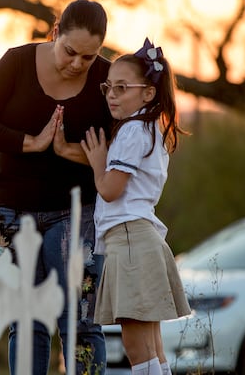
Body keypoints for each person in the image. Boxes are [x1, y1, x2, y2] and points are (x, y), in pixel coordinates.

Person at [0, 0, 113, 375]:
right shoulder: (15, 63)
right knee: (26, 319)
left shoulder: (107, 80)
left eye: (89, 57)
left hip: (78, 212)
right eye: (71, 52)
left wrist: (66, 150)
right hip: (11, 212)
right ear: (56, 32)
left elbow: (119, 152)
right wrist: (31, 142)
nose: (78, 64)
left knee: (81, 320)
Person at [80, 38, 191, 375]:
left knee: (135, 342)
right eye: (108, 87)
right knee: (151, 342)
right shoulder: (150, 128)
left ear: (148, 93)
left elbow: (111, 190)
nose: (112, 95)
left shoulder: (131, 131)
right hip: (140, 237)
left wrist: (99, 162)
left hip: (129, 239)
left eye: (122, 88)